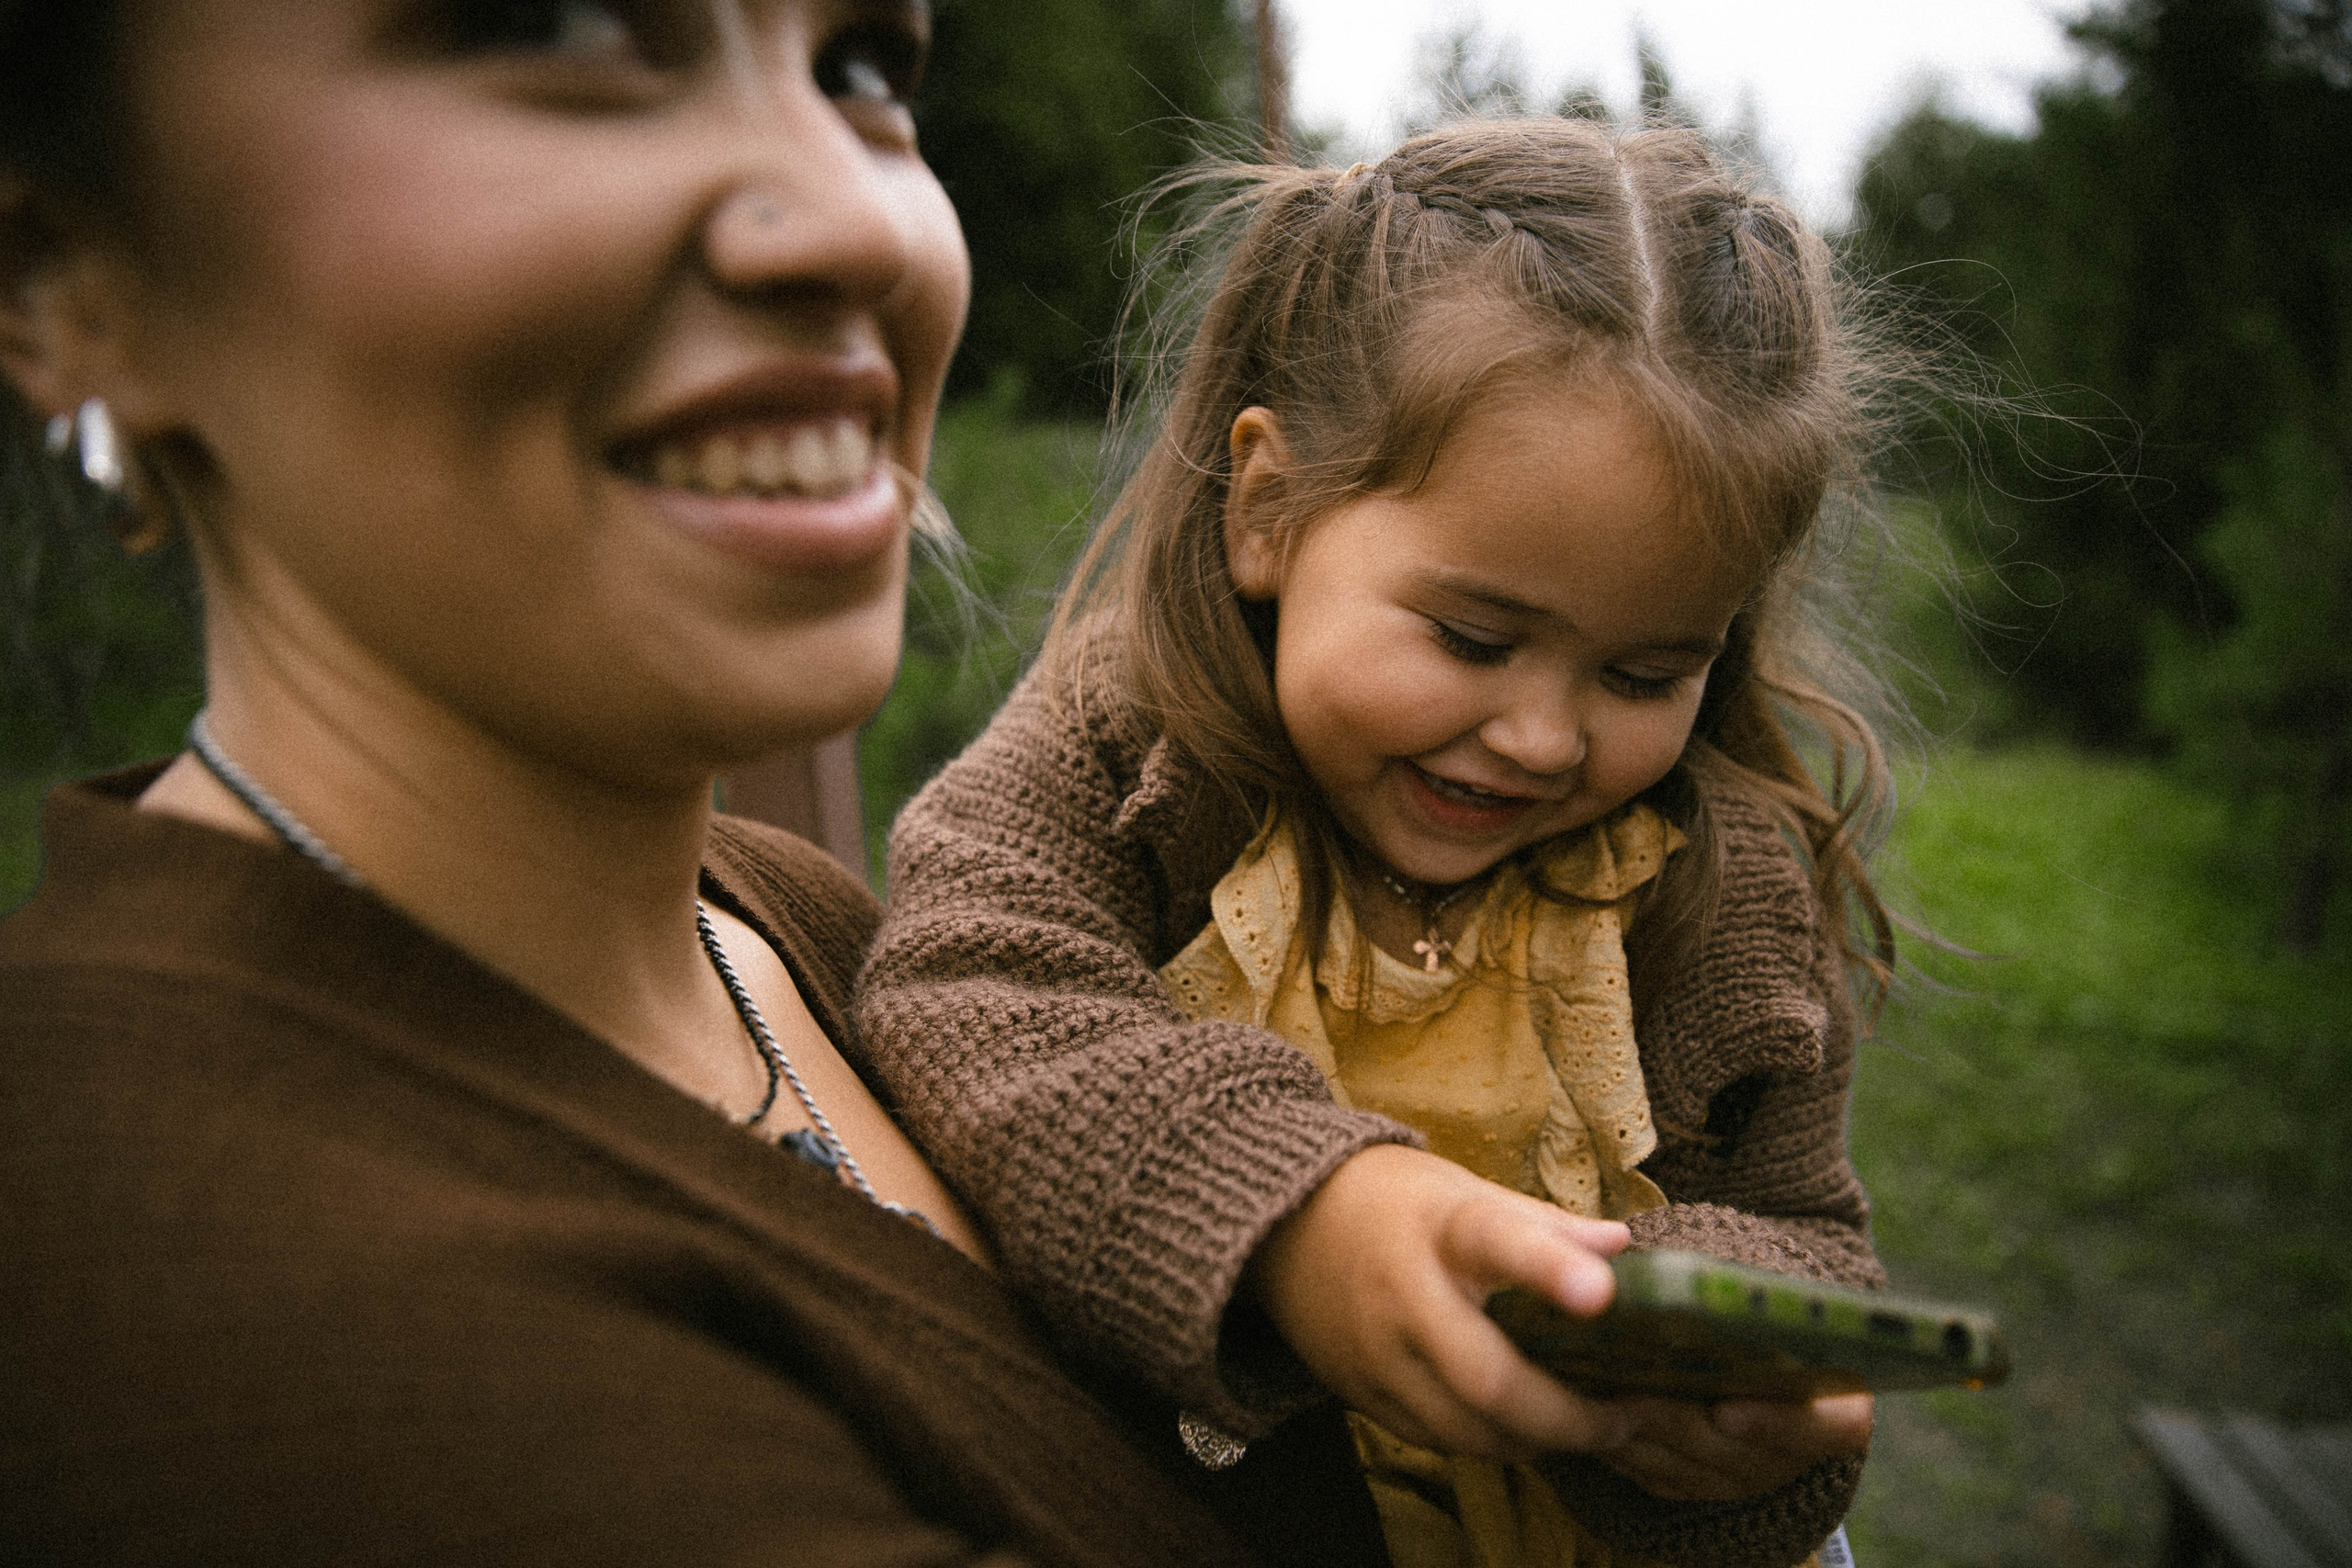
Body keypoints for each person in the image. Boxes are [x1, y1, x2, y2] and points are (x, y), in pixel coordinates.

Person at [0, 4, 1343, 1562]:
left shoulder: (798, 930)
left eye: (861, 69)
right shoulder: (203, 1292)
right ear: (63, 285)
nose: (855, 218)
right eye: (561, 25)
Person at [857, 118, 1897, 1568]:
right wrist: (1302, 1224)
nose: (1544, 738)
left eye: (1648, 675)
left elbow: (1804, 1232)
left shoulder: (1715, 894)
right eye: (1476, 637)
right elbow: (976, 988)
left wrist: (1706, 1370)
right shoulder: (1128, 746)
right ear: (1271, 511)